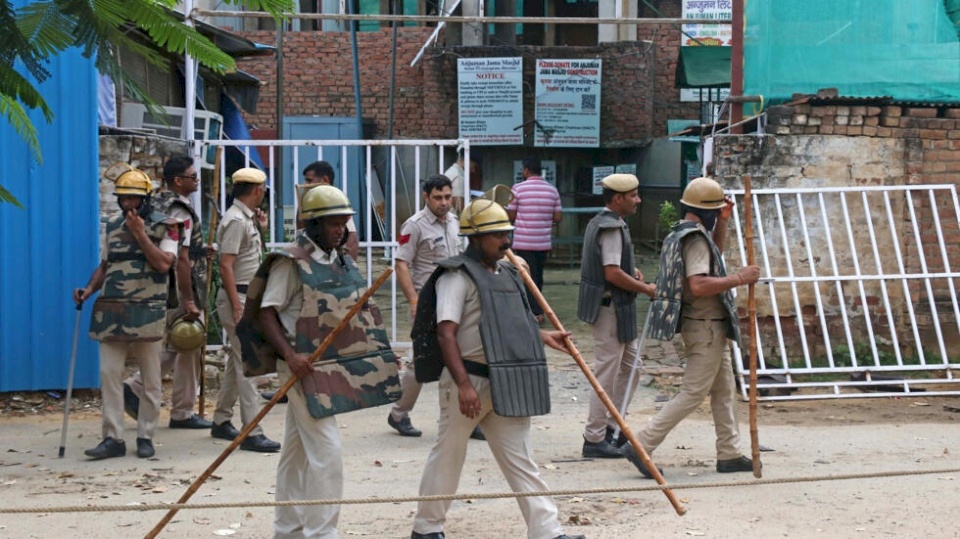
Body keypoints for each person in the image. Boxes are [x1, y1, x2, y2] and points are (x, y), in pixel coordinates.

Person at [409, 197, 585, 539]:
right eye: (497, 235)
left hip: (506, 380)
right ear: (475, 238)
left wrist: (543, 335)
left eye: (507, 232)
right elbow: (446, 333)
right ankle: (427, 529)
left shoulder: (508, 272)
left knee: (521, 458)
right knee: (449, 454)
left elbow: (511, 321)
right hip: (468, 380)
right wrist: (463, 385)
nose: (506, 240)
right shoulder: (455, 277)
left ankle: (547, 530)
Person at [254, 184, 398, 538]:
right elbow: (266, 313)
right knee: (327, 450)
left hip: (330, 366)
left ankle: (288, 529)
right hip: (302, 366)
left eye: (343, 223)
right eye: (333, 223)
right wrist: (290, 355)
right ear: (313, 225)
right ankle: (322, 533)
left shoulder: (339, 258)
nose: (340, 230)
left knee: (296, 452)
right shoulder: (290, 264)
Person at [622, 176, 760, 478]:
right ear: (706, 211)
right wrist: (740, 278)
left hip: (710, 326)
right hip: (705, 327)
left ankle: (729, 453)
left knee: (725, 391)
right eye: (716, 212)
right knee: (693, 393)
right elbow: (698, 284)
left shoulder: (684, 233)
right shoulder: (694, 239)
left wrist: (723, 223)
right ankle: (641, 444)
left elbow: (713, 259)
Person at [73, 165, 180, 460]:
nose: (127, 204)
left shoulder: (168, 226)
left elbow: (163, 264)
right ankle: (112, 438)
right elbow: (107, 265)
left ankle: (146, 435)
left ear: (145, 199)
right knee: (109, 374)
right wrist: (88, 288)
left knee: (151, 379)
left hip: (149, 312)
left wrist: (140, 235)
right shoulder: (111, 225)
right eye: (123, 199)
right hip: (112, 310)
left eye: (133, 199)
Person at [389, 174, 484, 440]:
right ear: (426, 197)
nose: (444, 203)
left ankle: (469, 418)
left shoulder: (456, 221)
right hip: (429, 301)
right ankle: (398, 413)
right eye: (438, 198)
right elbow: (401, 264)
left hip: (456, 298)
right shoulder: (414, 226)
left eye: (447, 197)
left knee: (465, 357)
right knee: (419, 362)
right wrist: (414, 300)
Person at [122, 156, 212, 431]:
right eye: (193, 176)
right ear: (178, 181)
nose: (196, 180)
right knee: (188, 343)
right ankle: (181, 410)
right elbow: (181, 258)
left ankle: (137, 387)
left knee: (178, 344)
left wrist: (202, 251)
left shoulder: (157, 203)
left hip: (163, 285)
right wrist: (188, 299)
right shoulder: (180, 210)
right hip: (181, 285)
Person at [576, 173, 656, 459]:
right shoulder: (609, 227)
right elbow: (611, 273)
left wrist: (631, 274)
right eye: (634, 195)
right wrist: (645, 288)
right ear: (619, 198)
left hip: (618, 308)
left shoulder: (608, 222)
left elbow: (614, 267)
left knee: (631, 368)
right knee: (607, 374)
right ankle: (594, 437)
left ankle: (613, 427)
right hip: (609, 308)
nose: (638, 200)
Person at [210, 167, 281, 452]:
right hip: (237, 297)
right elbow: (225, 264)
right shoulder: (237, 220)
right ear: (257, 190)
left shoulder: (245, 219)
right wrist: (238, 305)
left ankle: (221, 419)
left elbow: (246, 256)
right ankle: (252, 430)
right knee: (248, 364)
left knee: (235, 362)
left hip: (244, 296)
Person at [506, 157, 562, 323]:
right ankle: (538, 309)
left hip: (523, 242)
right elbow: (558, 217)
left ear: (526, 170)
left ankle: (533, 312)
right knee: (538, 276)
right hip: (543, 242)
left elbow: (511, 216)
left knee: (526, 276)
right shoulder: (552, 190)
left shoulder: (518, 189)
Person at [301, 161, 359, 259]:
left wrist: (347, 268)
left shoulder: (336, 205)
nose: (304, 184)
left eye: (309, 180)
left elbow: (352, 242)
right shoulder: (308, 203)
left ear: (324, 180)